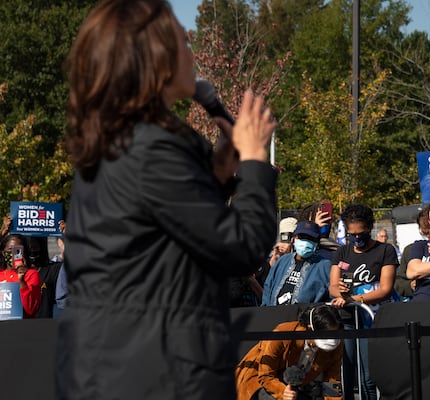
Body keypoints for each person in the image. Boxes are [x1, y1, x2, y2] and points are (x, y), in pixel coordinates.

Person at [57, 1, 278, 399]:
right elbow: (241, 247)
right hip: (153, 374)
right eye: (181, 39)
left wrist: (220, 174)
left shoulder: (125, 140)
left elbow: (169, 235)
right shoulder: (153, 151)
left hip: (125, 369)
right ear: (155, 58)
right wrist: (256, 164)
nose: (191, 46)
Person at [329, 204, 398, 400]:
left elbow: (385, 289)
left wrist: (354, 299)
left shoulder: (385, 251)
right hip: (348, 318)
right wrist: (339, 292)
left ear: (370, 228)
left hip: (371, 318)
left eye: (361, 234)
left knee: (368, 376)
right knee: (346, 372)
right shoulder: (342, 252)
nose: (357, 238)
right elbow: (332, 286)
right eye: (352, 234)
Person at [236, 304, 343, 400]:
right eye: (327, 334)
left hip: (295, 388)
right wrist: (283, 393)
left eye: (334, 333)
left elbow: (332, 382)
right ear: (310, 328)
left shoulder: (336, 346)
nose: (332, 340)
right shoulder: (282, 333)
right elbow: (266, 376)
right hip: (260, 383)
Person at [261, 221, 332, 306]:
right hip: (275, 315)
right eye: (302, 237)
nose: (305, 241)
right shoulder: (283, 260)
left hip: (303, 317)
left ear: (317, 242)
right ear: (294, 239)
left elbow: (331, 295)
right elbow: (268, 286)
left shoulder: (324, 265)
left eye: (310, 238)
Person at [0, 234, 41, 318]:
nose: (13, 253)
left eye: (17, 250)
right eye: (10, 249)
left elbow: (31, 309)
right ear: (3, 253)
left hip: (21, 326)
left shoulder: (31, 274)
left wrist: (22, 281)